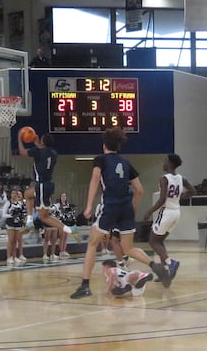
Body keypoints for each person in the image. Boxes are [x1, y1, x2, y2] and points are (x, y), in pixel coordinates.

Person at [70, 127, 170, 299]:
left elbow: (95, 180)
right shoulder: (126, 162)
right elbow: (139, 190)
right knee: (128, 247)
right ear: (118, 145)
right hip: (126, 207)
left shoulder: (100, 160)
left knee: (93, 244)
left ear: (104, 145)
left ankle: (85, 285)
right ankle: (155, 266)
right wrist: (132, 207)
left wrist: (87, 207)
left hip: (110, 206)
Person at [18, 130, 80, 243]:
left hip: (41, 185)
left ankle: (69, 230)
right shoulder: (53, 153)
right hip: (49, 185)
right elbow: (43, 151)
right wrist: (37, 143)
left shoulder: (38, 151)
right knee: (27, 194)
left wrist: (19, 137)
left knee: (44, 217)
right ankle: (30, 222)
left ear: (42, 141)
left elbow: (22, 152)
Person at [143, 154, 196, 280]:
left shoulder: (164, 179)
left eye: (166, 161)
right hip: (176, 212)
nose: (164, 163)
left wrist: (149, 211)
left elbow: (162, 200)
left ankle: (170, 262)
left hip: (166, 212)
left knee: (153, 241)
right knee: (159, 241)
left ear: (171, 164)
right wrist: (180, 197)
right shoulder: (181, 178)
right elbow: (193, 191)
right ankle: (165, 273)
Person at [2, 189, 26, 265]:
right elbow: (3, 214)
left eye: (15, 193)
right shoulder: (8, 203)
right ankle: (9, 257)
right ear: (10, 194)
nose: (14, 195)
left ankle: (15, 256)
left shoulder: (20, 203)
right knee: (11, 240)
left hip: (18, 224)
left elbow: (23, 213)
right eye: (12, 193)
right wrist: (12, 216)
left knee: (16, 241)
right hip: (10, 224)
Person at [52, 192, 76, 259]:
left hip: (67, 222)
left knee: (65, 237)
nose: (63, 198)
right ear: (60, 197)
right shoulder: (58, 205)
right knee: (62, 237)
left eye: (65, 196)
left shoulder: (68, 205)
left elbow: (70, 213)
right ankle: (61, 251)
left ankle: (64, 250)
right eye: (62, 196)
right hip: (61, 223)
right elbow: (55, 213)